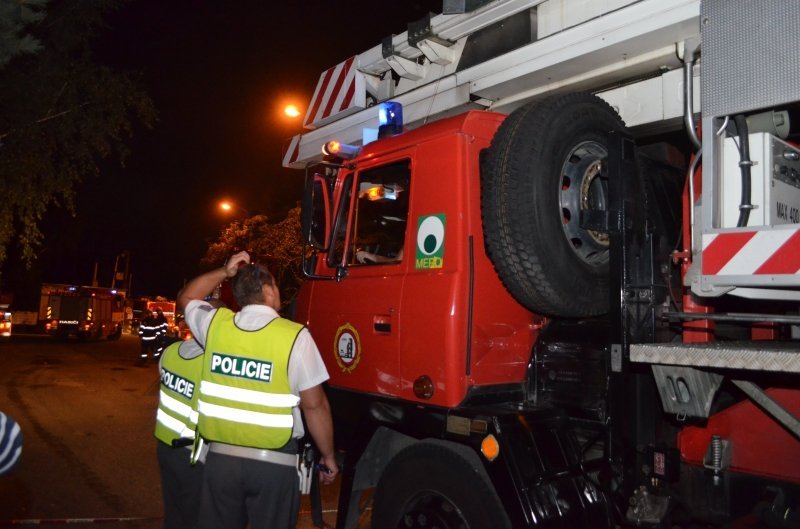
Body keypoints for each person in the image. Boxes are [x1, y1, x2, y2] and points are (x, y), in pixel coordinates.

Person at [177, 251, 338, 529]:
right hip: (273, 466)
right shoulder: (294, 336)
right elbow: (314, 405)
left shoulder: (215, 325)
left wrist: (224, 272)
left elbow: (187, 298)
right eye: (275, 285)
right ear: (267, 290)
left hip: (220, 463)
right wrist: (328, 456)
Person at [155, 337, 205, 529]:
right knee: (194, 518)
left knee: (174, 513)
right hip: (193, 454)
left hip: (165, 446)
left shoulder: (171, 351)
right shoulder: (209, 361)